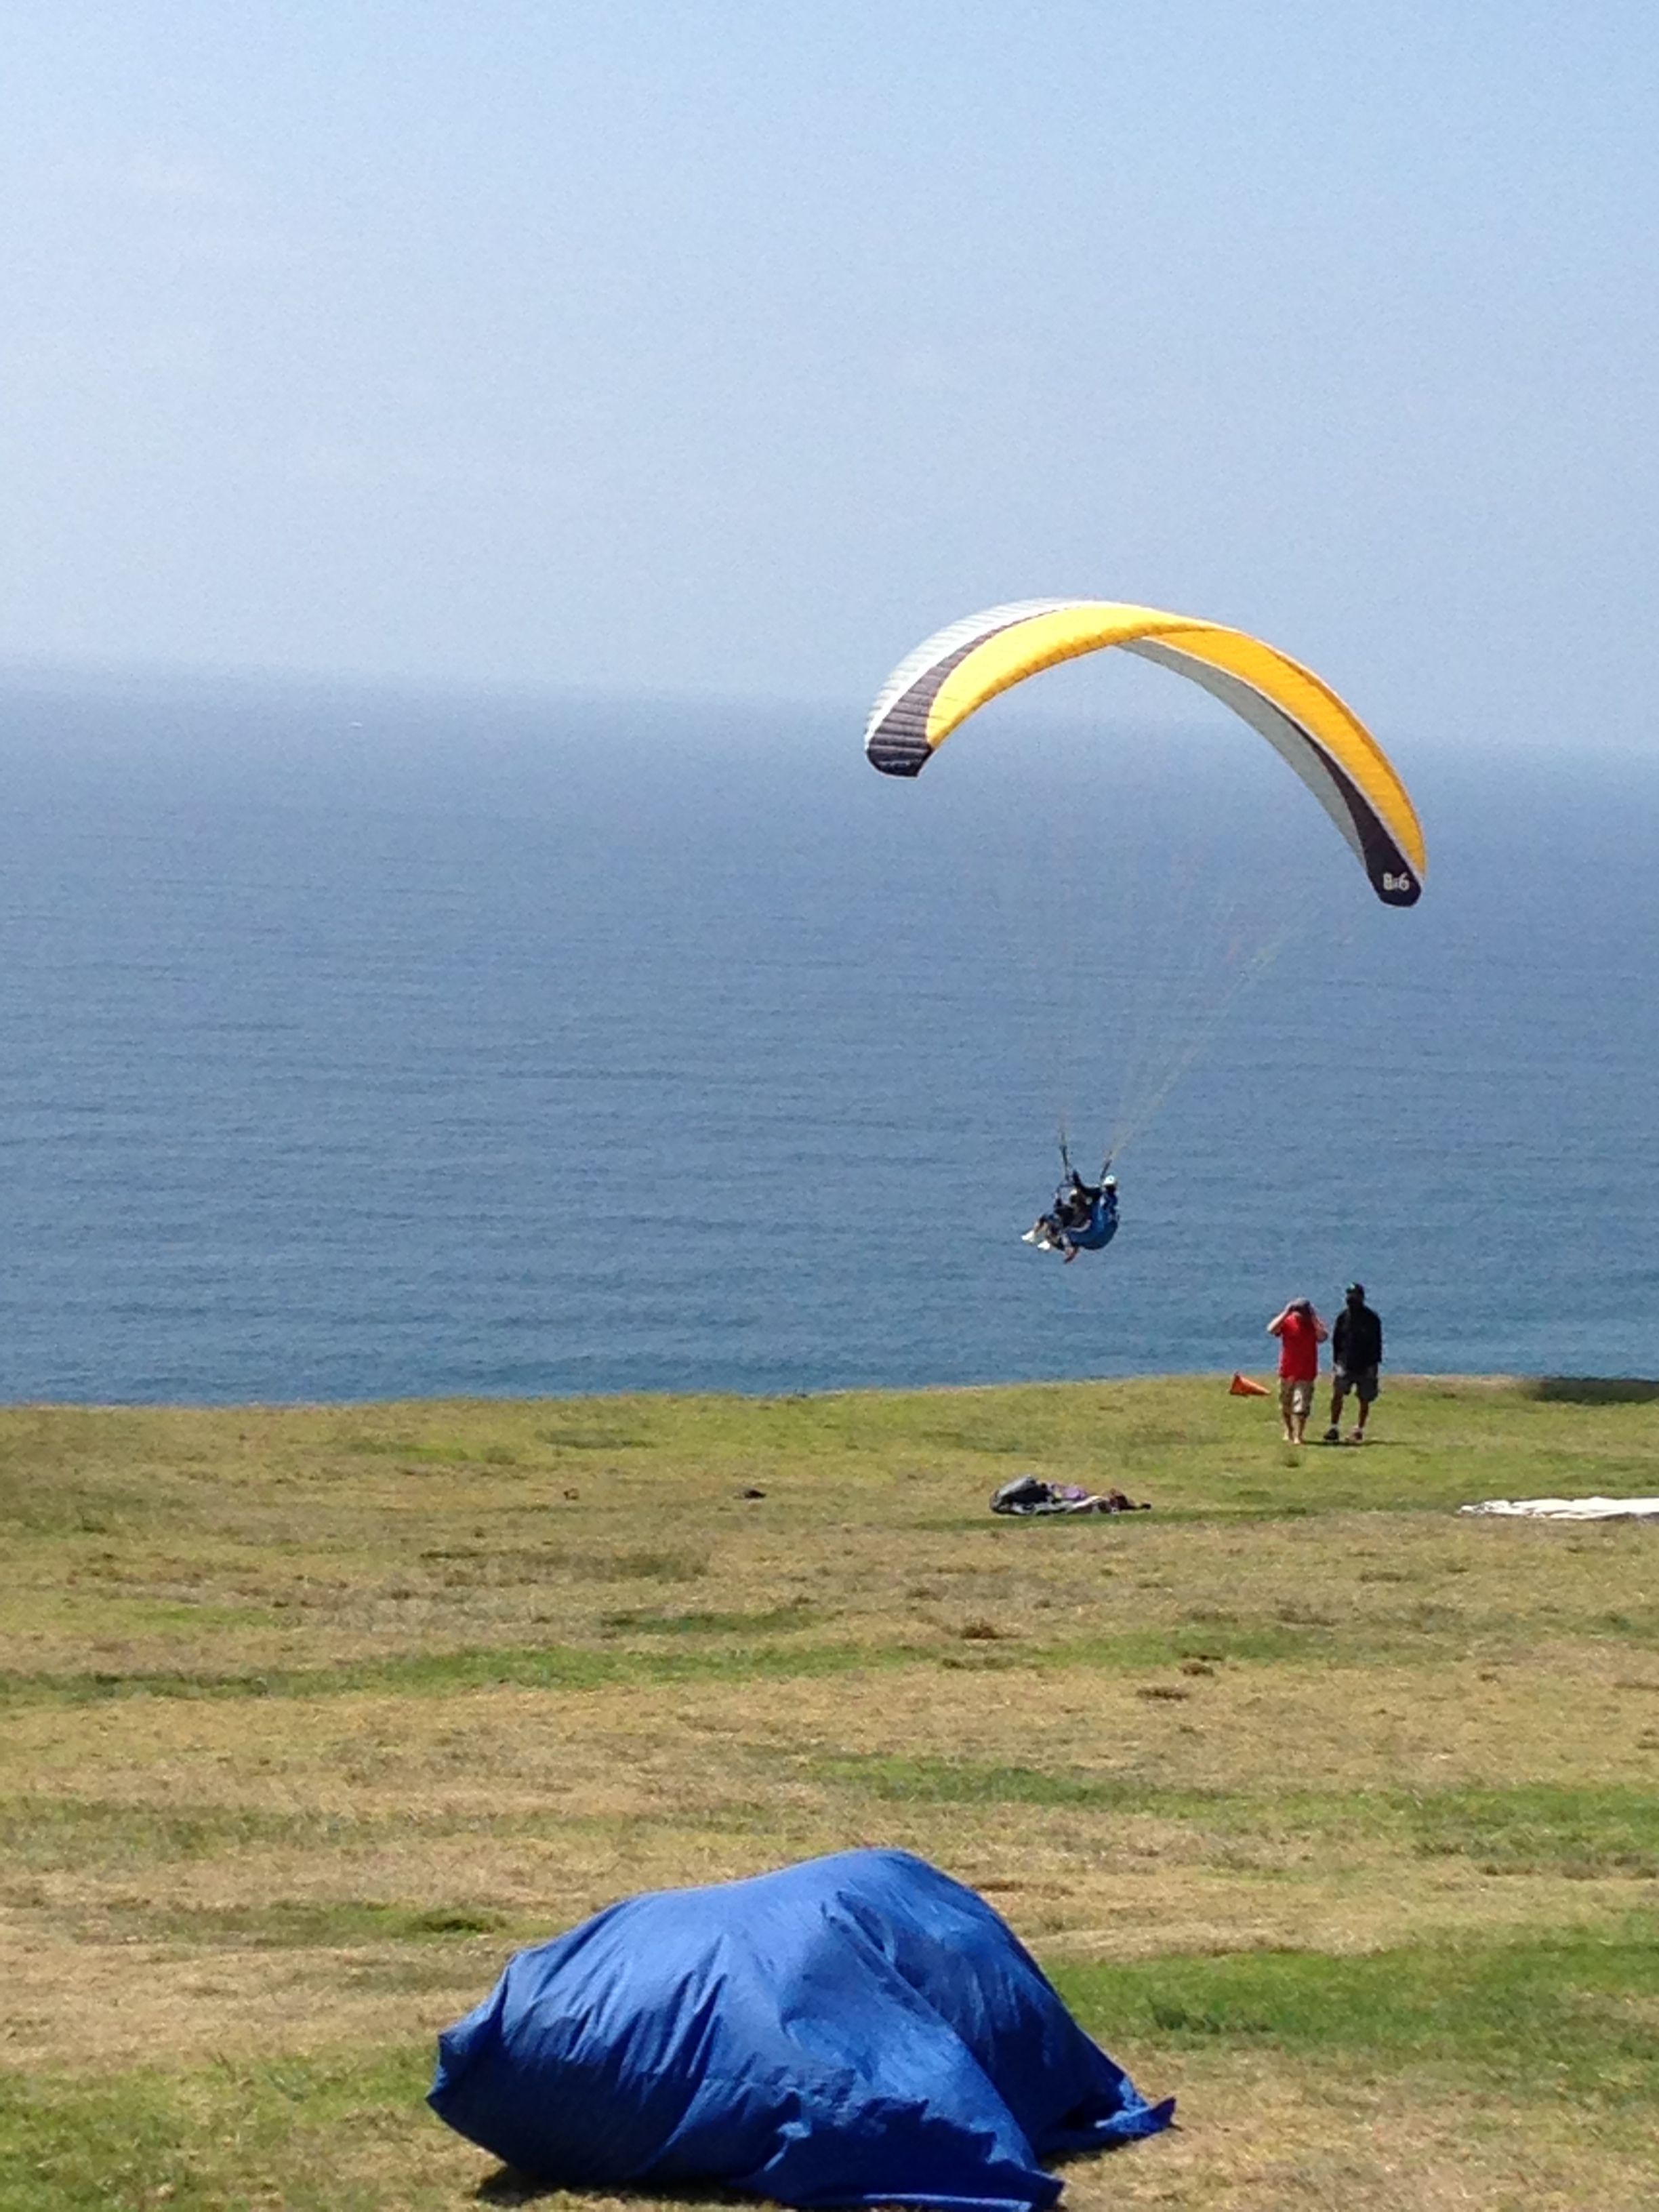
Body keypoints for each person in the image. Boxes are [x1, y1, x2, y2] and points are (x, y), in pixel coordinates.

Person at [1325, 1284, 1383, 1443]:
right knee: (1338, 1395)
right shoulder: (1343, 1317)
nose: (1352, 1299)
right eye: (1350, 1295)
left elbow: (1377, 1343)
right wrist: (1336, 1362)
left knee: (1364, 1398)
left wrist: (1375, 1365)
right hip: (1344, 1363)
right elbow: (1336, 1341)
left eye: (1355, 1295)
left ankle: (1359, 1429)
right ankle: (1334, 1427)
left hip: (1366, 1364)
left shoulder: (1372, 1319)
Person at [1267, 1297, 1328, 1445]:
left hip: (1306, 1372)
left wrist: (1314, 1318)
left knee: (1301, 1407)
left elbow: (1323, 1336)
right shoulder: (1288, 1322)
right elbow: (1271, 1329)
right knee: (1285, 1404)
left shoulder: (1313, 1324)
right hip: (1287, 1370)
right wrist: (1286, 1312)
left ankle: (1299, 1435)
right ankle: (1289, 1430)